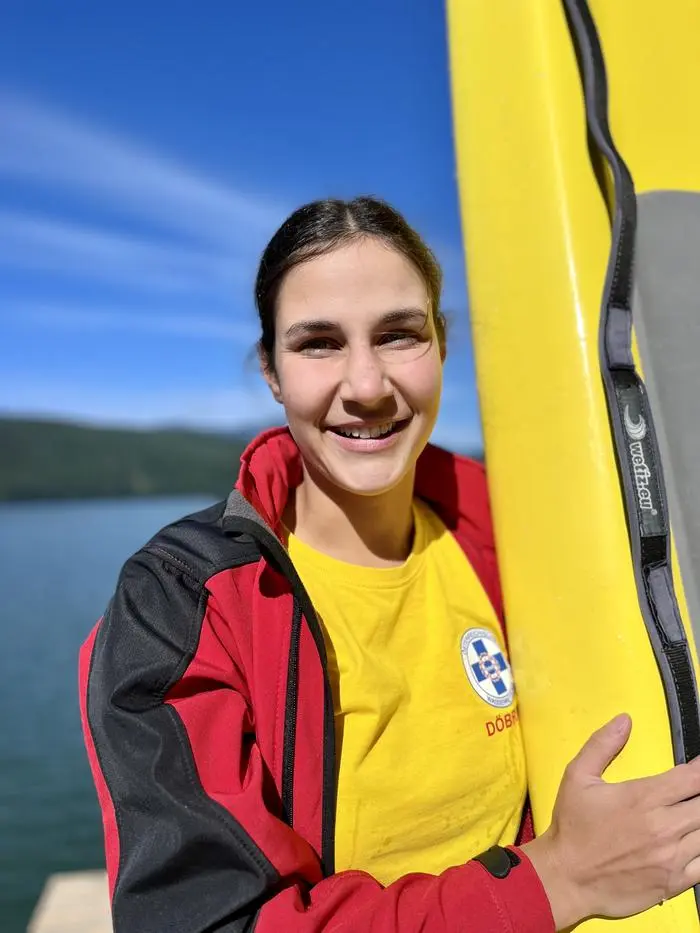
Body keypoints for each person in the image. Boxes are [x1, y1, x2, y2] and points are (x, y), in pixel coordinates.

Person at [79, 196, 700, 933]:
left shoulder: (508, 535)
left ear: (441, 344)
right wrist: (551, 882)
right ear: (272, 373)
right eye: (318, 343)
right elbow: (210, 919)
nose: (367, 385)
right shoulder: (181, 604)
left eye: (399, 334)